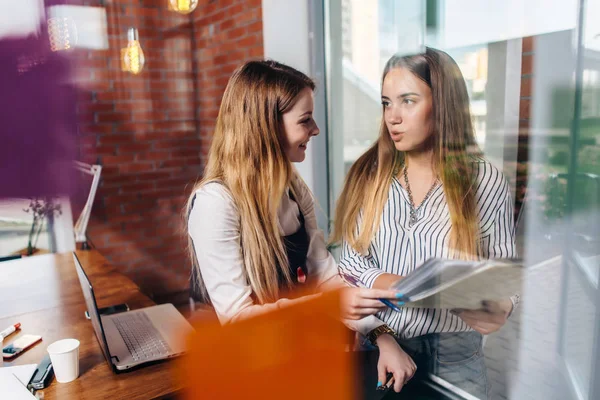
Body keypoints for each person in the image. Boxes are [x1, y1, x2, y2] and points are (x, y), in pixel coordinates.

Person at [185, 61, 408, 383]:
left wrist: (382, 336)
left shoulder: (293, 187)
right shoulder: (215, 203)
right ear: (265, 126)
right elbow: (237, 320)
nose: (315, 129)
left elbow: (328, 279)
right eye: (305, 120)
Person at [331, 48, 518, 398]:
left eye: (408, 101)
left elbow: (501, 277)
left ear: (444, 104)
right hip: (380, 348)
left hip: (455, 359)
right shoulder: (369, 175)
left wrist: (492, 304)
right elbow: (350, 265)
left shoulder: (485, 179)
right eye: (387, 103)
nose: (393, 117)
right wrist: (407, 287)